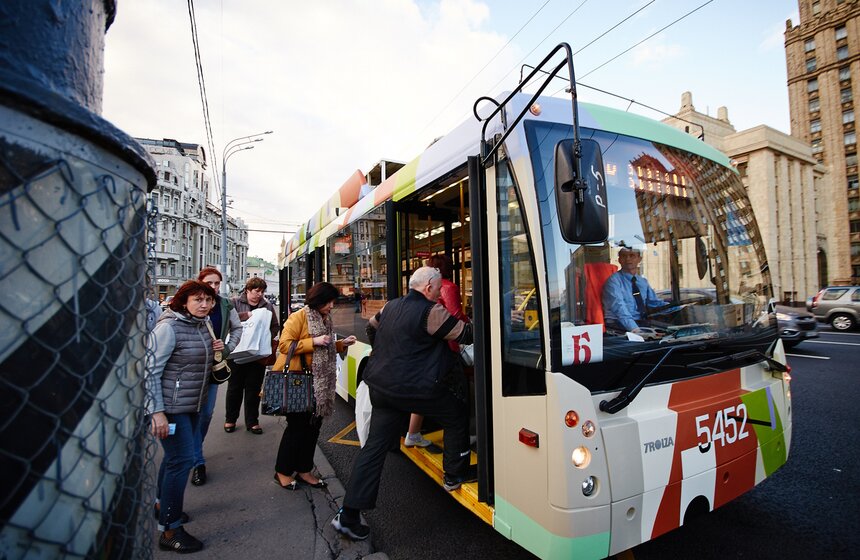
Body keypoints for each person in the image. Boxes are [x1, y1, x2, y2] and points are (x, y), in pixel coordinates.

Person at [332, 267, 473, 541]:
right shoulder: (431, 311)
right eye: (437, 285)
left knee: (374, 448)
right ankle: (454, 475)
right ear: (430, 286)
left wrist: (387, 354)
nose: (438, 289)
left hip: (383, 389)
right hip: (416, 388)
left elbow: (372, 330)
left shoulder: (390, 306)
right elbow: (463, 334)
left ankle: (348, 514)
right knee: (456, 413)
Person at [147, 280, 222, 553]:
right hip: (170, 409)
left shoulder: (199, 324)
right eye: (198, 300)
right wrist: (157, 413)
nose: (204, 305)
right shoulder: (168, 327)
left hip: (190, 405)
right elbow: (150, 371)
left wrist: (215, 347)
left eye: (208, 300)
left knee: (174, 459)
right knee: (183, 461)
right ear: (183, 302)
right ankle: (170, 529)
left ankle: (160, 504)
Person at [272, 282, 357, 490]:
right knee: (296, 429)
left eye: (333, 302)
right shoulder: (299, 317)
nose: (331, 306)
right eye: (328, 302)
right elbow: (284, 345)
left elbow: (324, 348)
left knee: (312, 428)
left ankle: (304, 470)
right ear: (317, 300)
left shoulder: (324, 319)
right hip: (298, 380)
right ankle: (282, 471)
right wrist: (314, 341)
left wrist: (340, 345)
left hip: (319, 383)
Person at [404, 254, 470, 448]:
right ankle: (460, 442)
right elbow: (456, 317)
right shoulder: (449, 287)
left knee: (425, 389)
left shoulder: (412, 298)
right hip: (447, 345)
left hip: (427, 346)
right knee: (458, 397)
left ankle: (413, 432)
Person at [190, 267, 242, 486]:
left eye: (216, 284)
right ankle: (194, 459)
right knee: (189, 414)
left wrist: (227, 349)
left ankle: (196, 454)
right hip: (188, 370)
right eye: (209, 283)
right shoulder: (189, 301)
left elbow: (237, 329)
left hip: (212, 368)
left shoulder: (224, 304)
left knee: (206, 413)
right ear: (200, 281)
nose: (213, 287)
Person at [224, 277, 279, 434]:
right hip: (237, 352)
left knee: (253, 389)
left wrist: (265, 336)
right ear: (247, 290)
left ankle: (252, 422)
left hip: (257, 355)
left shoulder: (267, 306)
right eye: (256, 291)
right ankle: (230, 420)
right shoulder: (234, 302)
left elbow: (274, 326)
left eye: (261, 292)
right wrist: (246, 316)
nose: (259, 294)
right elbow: (227, 321)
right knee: (234, 388)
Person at [602, 246, 668, 333]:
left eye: (632, 255)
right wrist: (636, 330)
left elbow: (654, 303)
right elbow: (619, 308)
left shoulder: (643, 282)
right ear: (619, 260)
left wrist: (677, 307)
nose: (628, 259)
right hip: (618, 325)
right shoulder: (613, 281)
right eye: (624, 256)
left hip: (640, 322)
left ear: (639, 259)